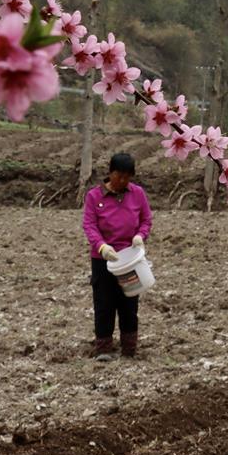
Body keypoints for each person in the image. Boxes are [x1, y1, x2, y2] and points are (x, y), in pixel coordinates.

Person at [82, 152, 152, 360]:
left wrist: (140, 235)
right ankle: (103, 347)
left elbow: (146, 219)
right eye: (119, 176)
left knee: (129, 302)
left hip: (129, 258)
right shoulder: (94, 196)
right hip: (103, 258)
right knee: (104, 302)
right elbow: (89, 225)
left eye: (127, 177)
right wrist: (102, 246)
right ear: (110, 173)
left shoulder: (137, 194)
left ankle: (129, 347)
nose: (122, 181)